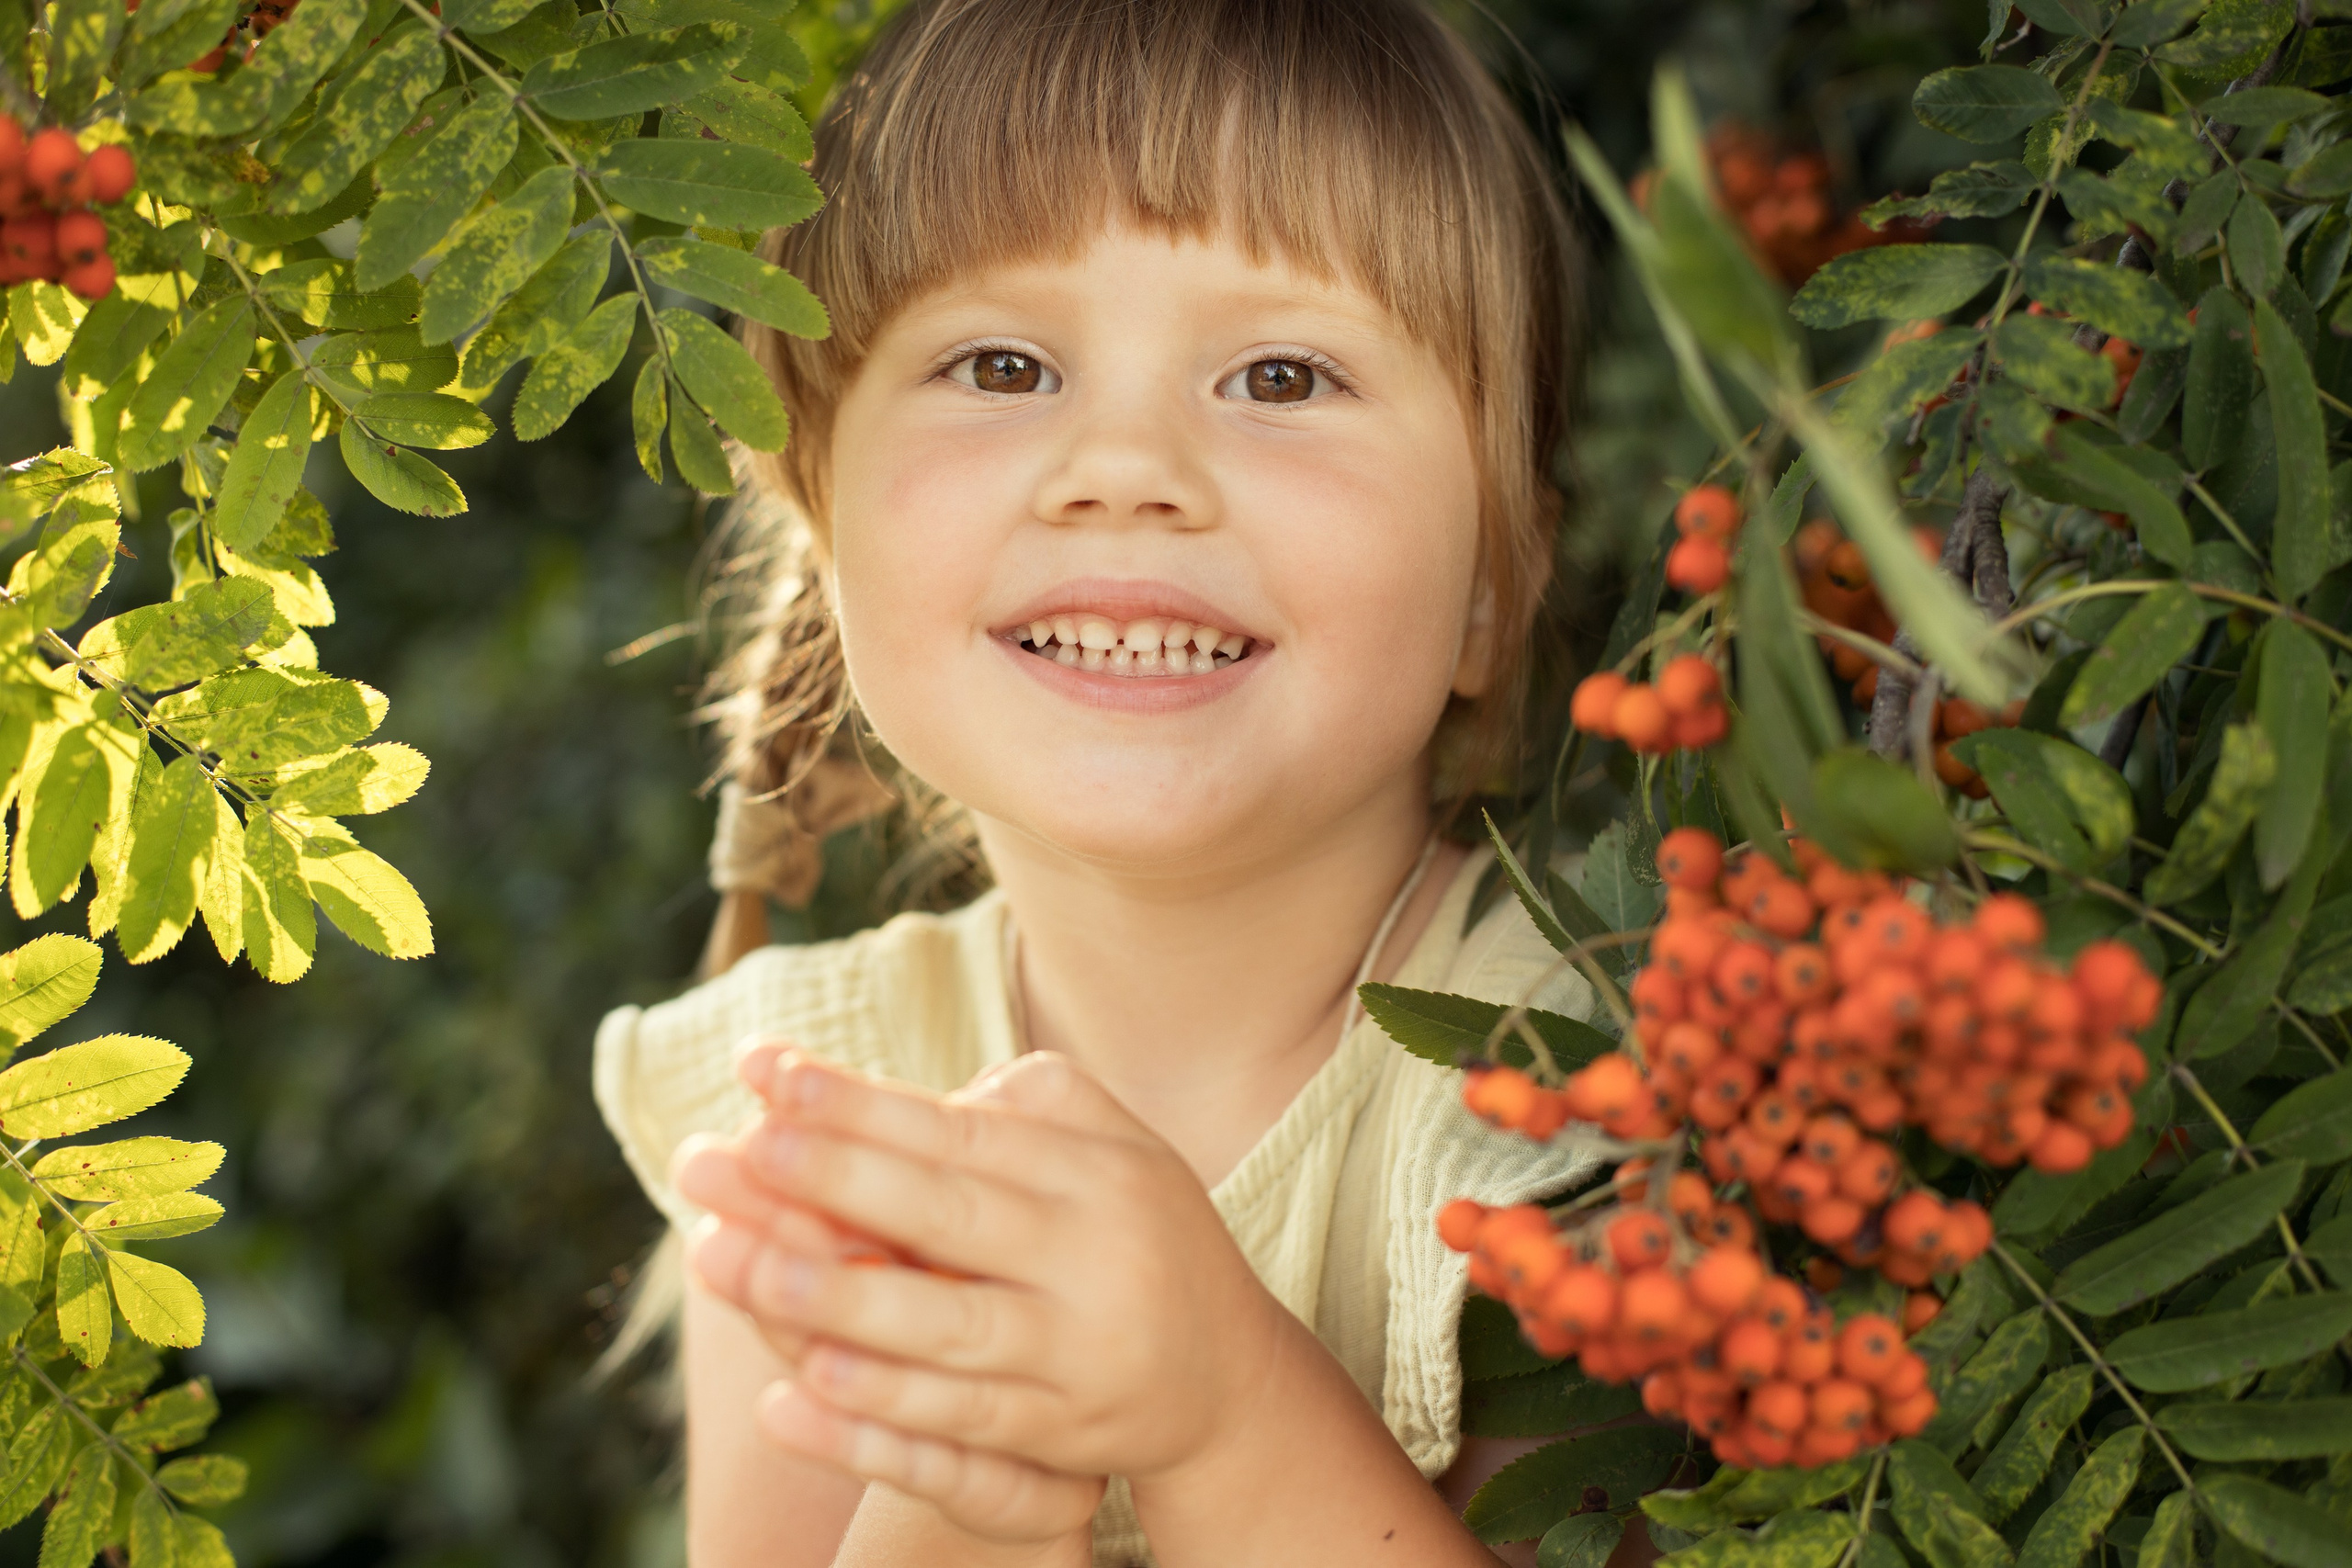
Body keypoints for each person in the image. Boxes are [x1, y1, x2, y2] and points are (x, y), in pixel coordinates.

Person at [591, 2, 1614, 1562]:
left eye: (1282, 378)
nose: (1124, 462)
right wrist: (963, 1475)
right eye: (1000, 362)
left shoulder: (1581, 1093)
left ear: (1495, 584)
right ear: (823, 513)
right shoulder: (801, 1112)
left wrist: (1223, 1412)